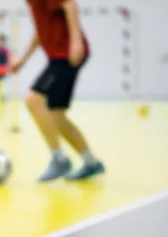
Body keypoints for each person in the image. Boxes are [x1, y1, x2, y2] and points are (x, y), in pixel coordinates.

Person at [10, 0, 104, 181]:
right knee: (56, 116)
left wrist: (76, 41)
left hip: (65, 55)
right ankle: (91, 162)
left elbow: (69, 4)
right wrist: (23, 59)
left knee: (32, 100)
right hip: (57, 56)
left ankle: (58, 158)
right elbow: (41, 30)